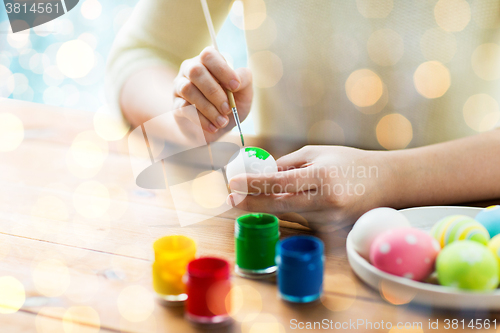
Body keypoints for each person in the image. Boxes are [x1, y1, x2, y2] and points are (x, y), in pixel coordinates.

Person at [107, 0, 500, 230]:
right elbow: (140, 54)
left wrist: (387, 177)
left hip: (456, 230)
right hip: (282, 231)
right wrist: (190, 116)